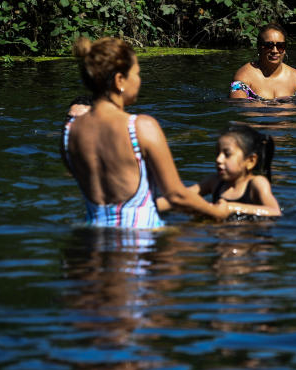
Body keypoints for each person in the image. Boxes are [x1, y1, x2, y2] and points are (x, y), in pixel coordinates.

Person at [62, 37, 230, 227]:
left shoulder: (70, 131)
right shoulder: (140, 127)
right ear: (120, 80)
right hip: (139, 244)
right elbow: (176, 195)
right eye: (137, 73)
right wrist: (217, 212)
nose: (139, 80)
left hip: (92, 241)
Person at [194, 125, 282, 217]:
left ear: (250, 161)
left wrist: (231, 208)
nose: (218, 159)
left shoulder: (256, 183)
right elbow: (183, 195)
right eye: (217, 153)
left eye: (227, 154)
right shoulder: (214, 181)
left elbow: (275, 211)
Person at [230, 23, 296, 102]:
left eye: (280, 46)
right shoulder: (245, 76)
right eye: (269, 45)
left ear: (285, 49)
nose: (275, 50)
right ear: (259, 47)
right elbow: (238, 104)